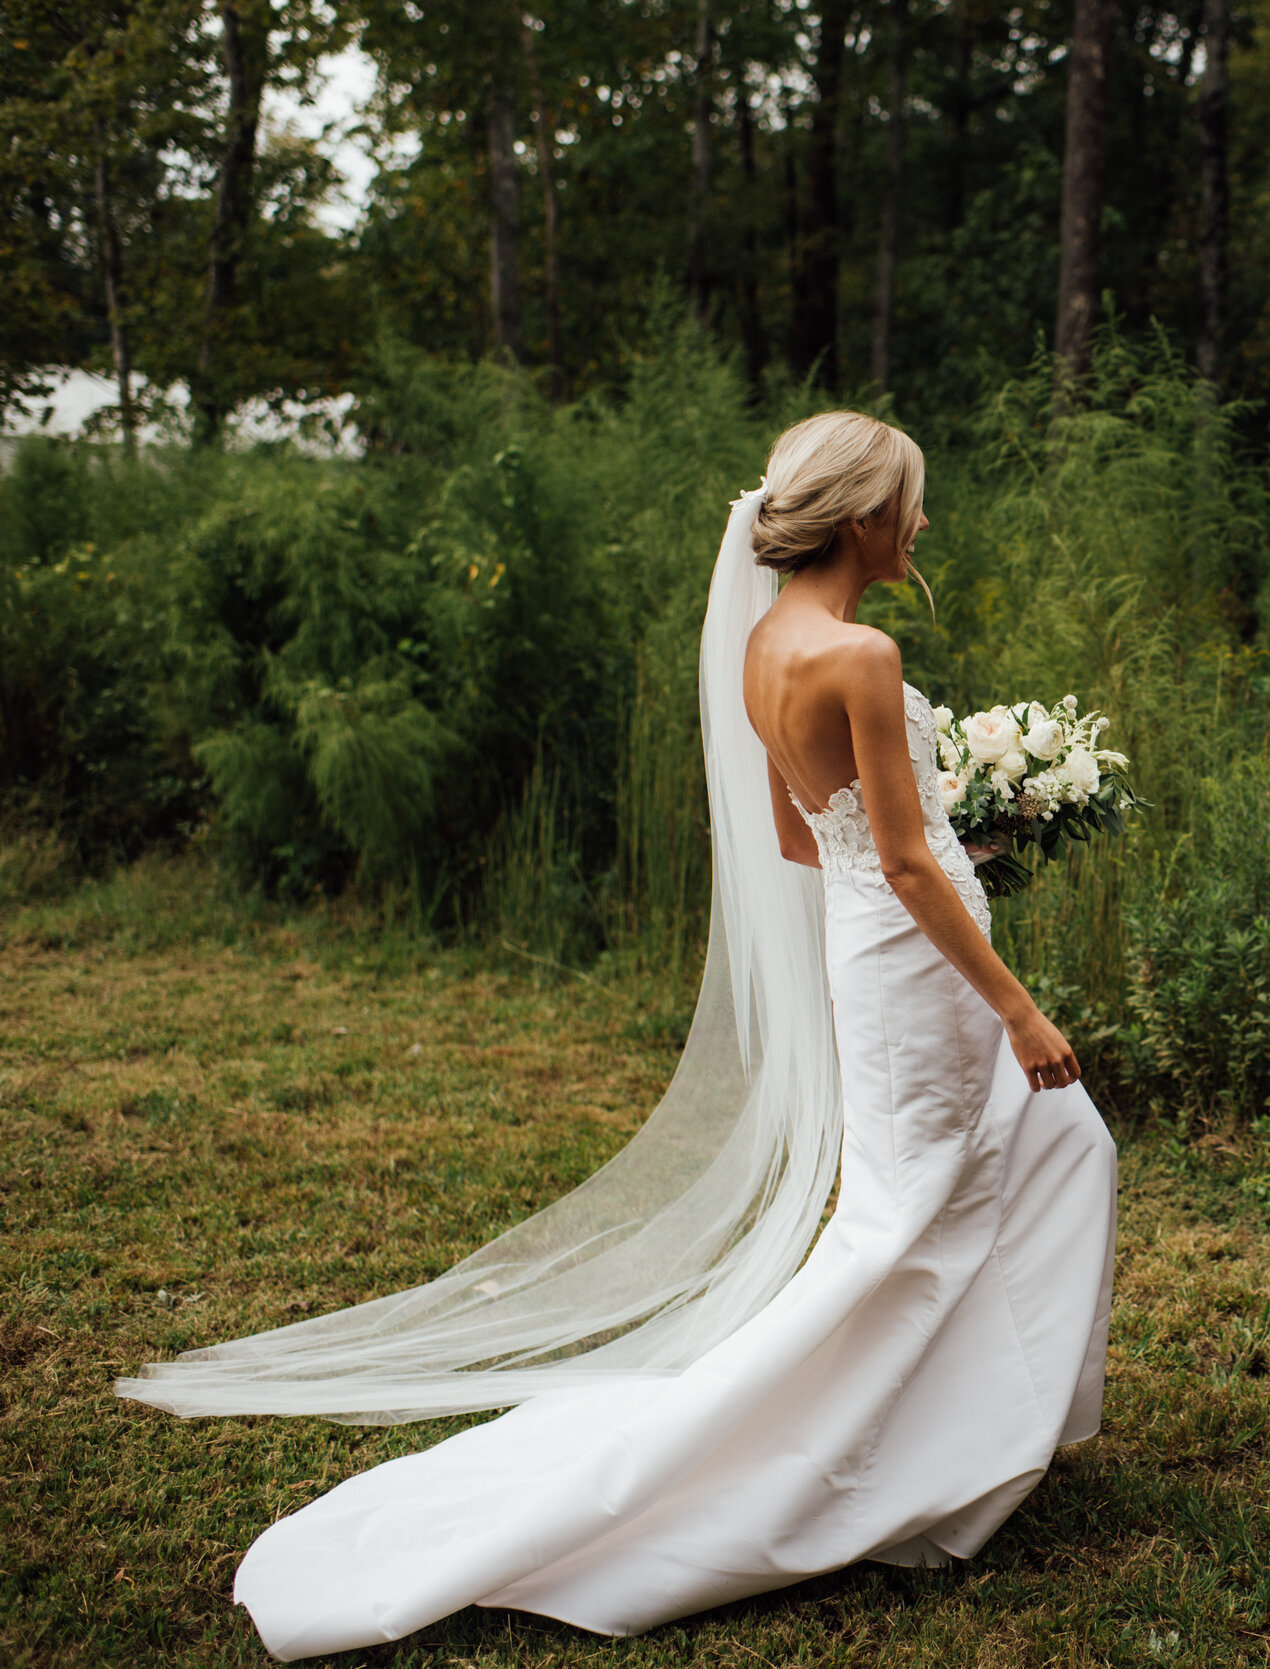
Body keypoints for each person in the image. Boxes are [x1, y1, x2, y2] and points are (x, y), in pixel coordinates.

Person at [117, 411, 1117, 1660]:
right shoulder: (861, 652)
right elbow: (902, 860)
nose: (922, 523)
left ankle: (969, 1430)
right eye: (911, 503)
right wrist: (1015, 1001)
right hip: (920, 963)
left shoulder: (767, 642)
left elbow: (808, 840)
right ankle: (871, 1460)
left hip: (876, 952)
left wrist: (959, 849)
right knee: (916, 1219)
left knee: (1024, 1163)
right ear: (863, 517)